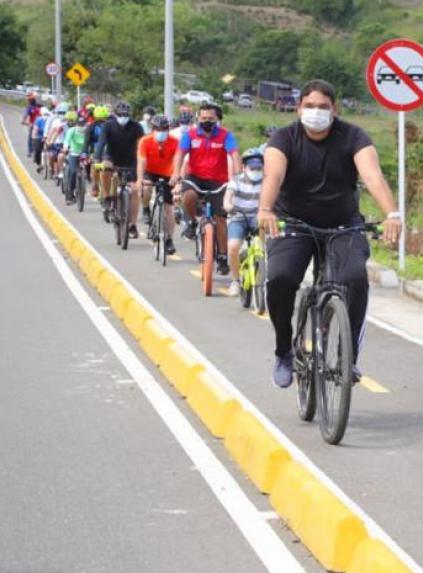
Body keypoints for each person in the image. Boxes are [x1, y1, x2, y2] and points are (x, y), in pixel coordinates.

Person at [258, 79, 401, 388]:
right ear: (298, 109)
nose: (316, 112)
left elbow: (372, 175)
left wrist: (392, 214)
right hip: (293, 223)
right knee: (281, 279)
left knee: (354, 278)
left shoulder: (353, 136)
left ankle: (347, 355)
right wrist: (265, 208)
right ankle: (284, 349)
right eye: (309, 106)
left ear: (335, 110)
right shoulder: (284, 138)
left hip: (342, 223)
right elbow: (274, 174)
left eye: (323, 107)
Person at [170, 102, 241, 275]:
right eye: (203, 118)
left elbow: (235, 155)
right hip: (195, 178)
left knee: (221, 219)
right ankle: (192, 222)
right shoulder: (190, 135)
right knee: (188, 196)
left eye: (211, 118)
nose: (207, 121)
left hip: (219, 181)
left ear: (217, 119)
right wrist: (176, 174)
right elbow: (180, 154)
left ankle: (223, 257)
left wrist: (239, 177)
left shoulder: (226, 135)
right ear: (198, 118)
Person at [97, 101, 146, 236]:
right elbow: (101, 143)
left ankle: (132, 225)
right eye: (120, 114)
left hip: (130, 160)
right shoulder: (108, 126)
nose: (123, 117)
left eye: (126, 114)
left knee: (135, 190)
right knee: (105, 168)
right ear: (115, 114)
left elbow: (142, 146)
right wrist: (96, 158)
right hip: (112, 157)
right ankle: (107, 197)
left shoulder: (136, 127)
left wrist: (143, 164)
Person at [223, 147, 265, 296]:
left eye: (259, 165)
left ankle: (263, 268)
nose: (255, 168)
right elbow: (228, 197)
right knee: (233, 247)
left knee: (266, 240)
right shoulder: (236, 181)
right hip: (238, 217)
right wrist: (228, 206)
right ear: (244, 167)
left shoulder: (267, 181)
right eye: (251, 165)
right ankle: (235, 280)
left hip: (257, 218)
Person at [137, 114, 179, 254]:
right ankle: (146, 209)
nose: (161, 131)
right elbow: (141, 162)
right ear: (153, 129)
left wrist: (176, 177)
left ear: (168, 129)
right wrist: (140, 180)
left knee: (169, 209)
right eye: (158, 129)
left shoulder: (175, 141)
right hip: (150, 171)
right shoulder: (145, 141)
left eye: (164, 128)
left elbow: (177, 161)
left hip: (168, 174)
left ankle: (169, 239)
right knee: (147, 189)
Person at [60, 111, 88, 204]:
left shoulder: (88, 131)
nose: (81, 126)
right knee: (72, 172)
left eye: (83, 124)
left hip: (85, 154)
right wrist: (65, 148)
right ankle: (70, 194)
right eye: (79, 124)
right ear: (76, 124)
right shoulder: (71, 130)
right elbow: (67, 140)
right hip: (73, 153)